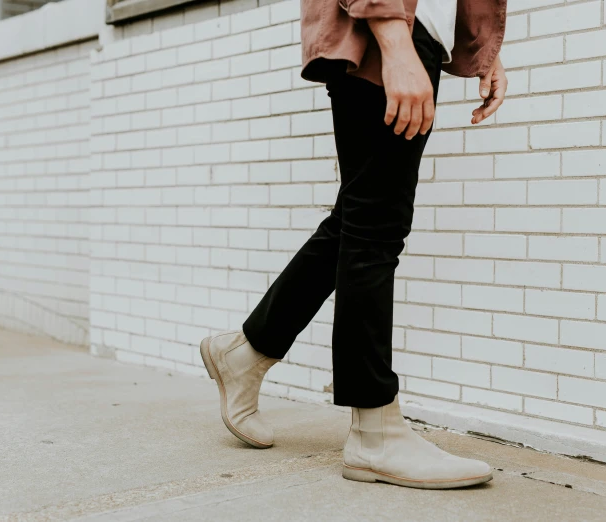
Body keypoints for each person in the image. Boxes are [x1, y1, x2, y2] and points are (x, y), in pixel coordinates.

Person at [201, 0, 508, 490]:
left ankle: (246, 353)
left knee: (358, 220)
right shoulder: (394, 38)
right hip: (385, 29)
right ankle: (374, 431)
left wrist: (480, 50)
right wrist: (394, 39)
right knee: (374, 228)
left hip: (408, 33)